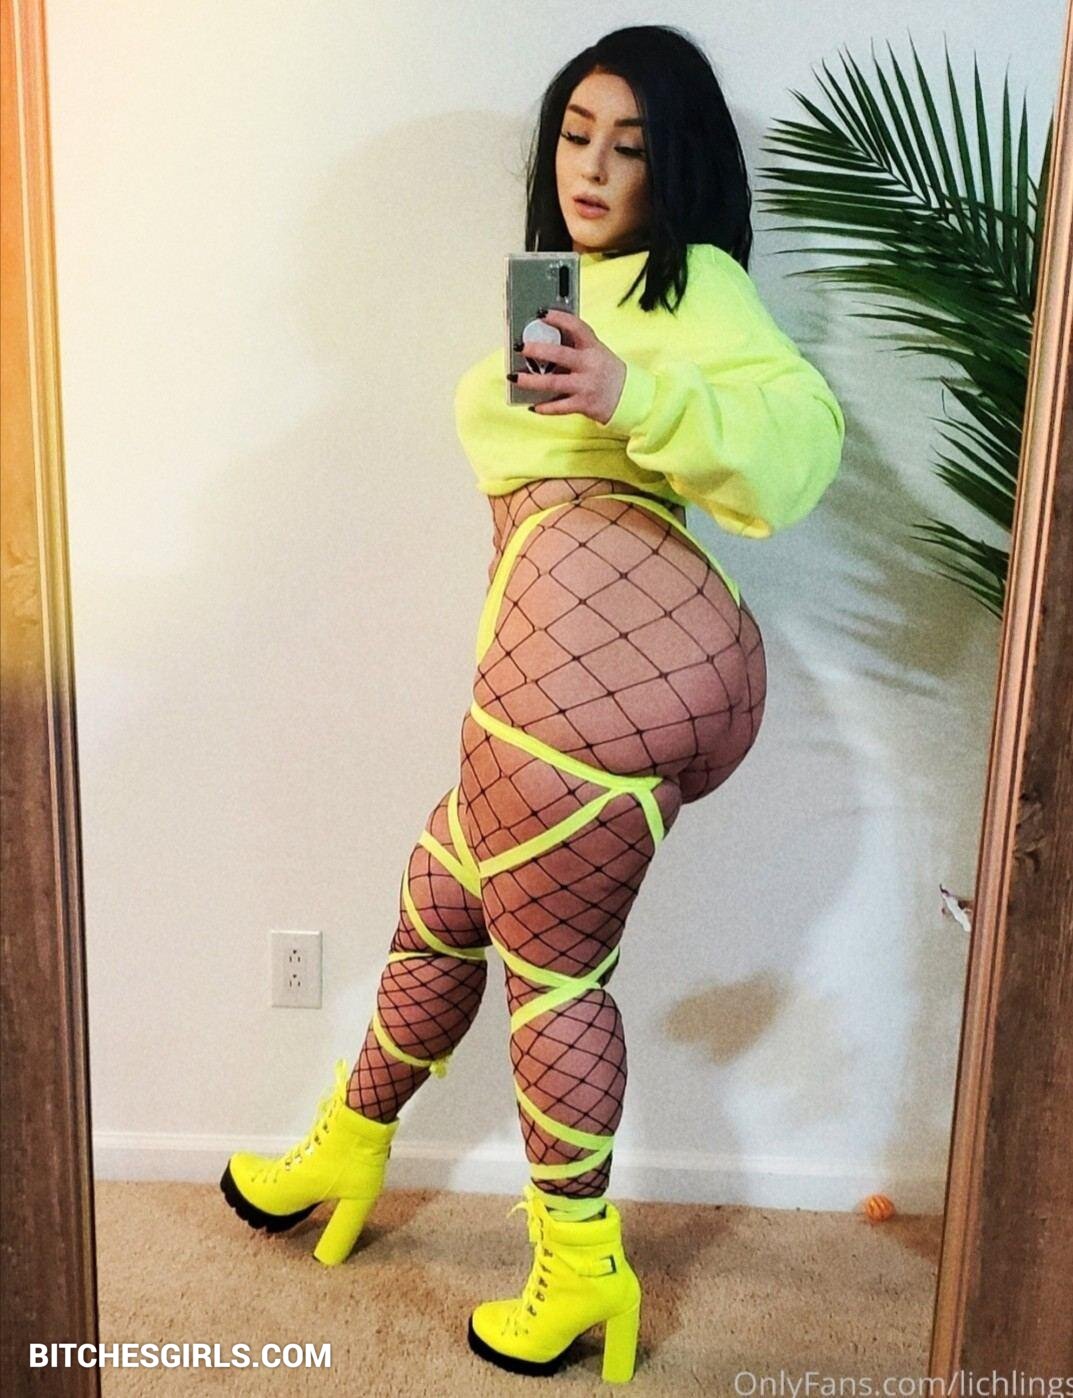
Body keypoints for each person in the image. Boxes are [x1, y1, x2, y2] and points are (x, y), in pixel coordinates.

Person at [220, 23, 845, 1384]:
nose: (594, 167)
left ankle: (580, 1267)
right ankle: (350, 1143)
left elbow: (801, 445)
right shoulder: (572, 290)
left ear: (675, 166)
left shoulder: (692, 288)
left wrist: (630, 391)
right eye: (576, 135)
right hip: (577, 664)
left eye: (630, 146)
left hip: (597, 670)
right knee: (444, 890)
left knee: (554, 970)